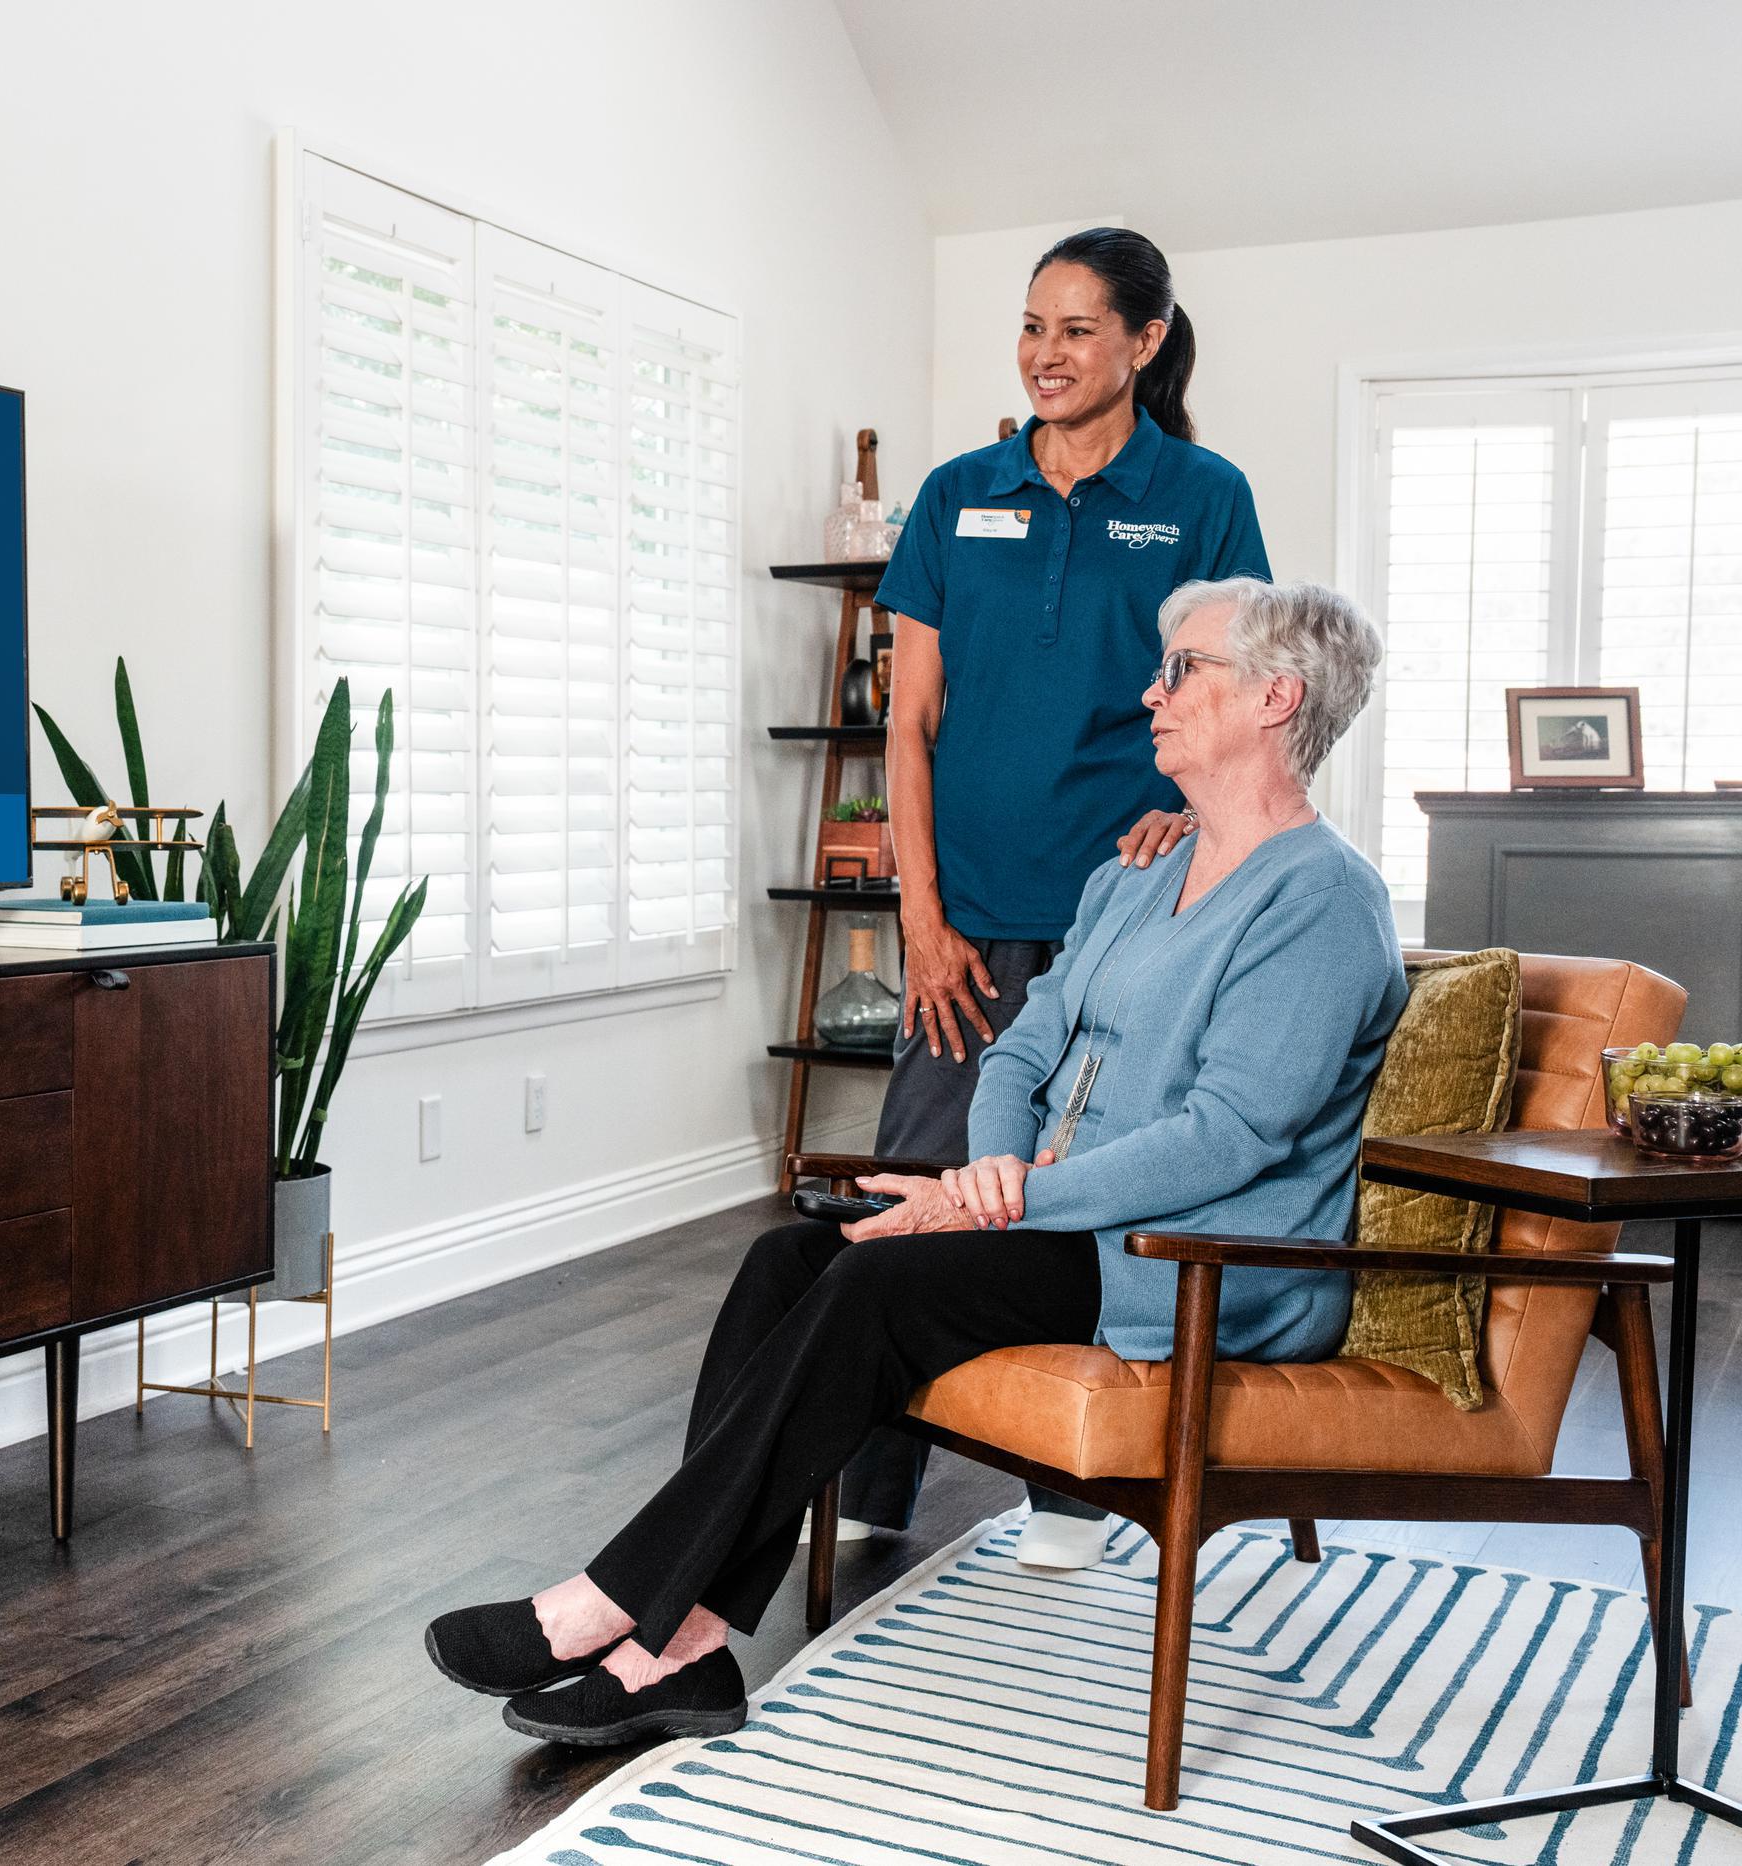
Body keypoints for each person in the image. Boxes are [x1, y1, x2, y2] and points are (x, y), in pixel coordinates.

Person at [425, 578, 1401, 1747]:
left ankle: (609, 1604)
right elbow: (1020, 1047)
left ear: (1275, 697)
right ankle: (682, 1652)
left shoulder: (1323, 901)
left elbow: (1229, 1136)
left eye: (1181, 669)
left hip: (1191, 1264)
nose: (1151, 692)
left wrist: (1005, 1199)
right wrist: (991, 1180)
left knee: (881, 1283)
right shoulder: (1137, 871)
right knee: (791, 1260)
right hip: (1062, 1223)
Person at [838, 226, 1274, 1569]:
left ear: (1145, 341)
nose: (1047, 354)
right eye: (1033, 327)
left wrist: (1190, 806)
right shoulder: (956, 492)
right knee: (921, 1173)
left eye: (1079, 329)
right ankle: (867, 1482)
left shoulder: (1202, 494)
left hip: (1126, 920)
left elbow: (1246, 697)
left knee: (1074, 1186)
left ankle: (1067, 1483)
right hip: (961, 913)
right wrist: (918, 915)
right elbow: (907, 726)